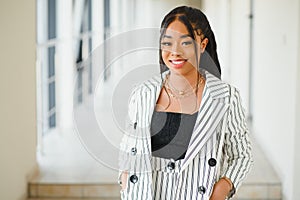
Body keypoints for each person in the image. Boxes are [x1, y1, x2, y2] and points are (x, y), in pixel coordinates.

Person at [118, 6, 253, 200]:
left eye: (186, 43)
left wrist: (222, 190)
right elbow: (128, 146)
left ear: (203, 45)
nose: (175, 52)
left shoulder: (226, 98)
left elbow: (242, 156)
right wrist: (125, 180)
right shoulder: (142, 93)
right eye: (167, 43)